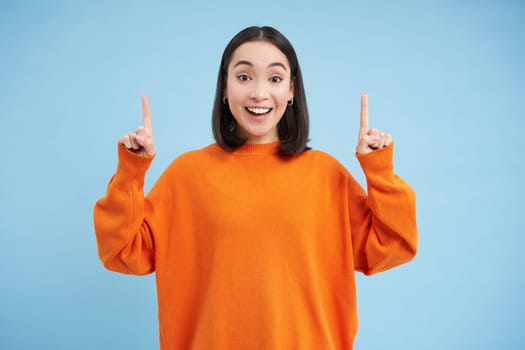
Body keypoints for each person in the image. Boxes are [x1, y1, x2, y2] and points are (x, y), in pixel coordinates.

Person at [94, 26, 417, 350]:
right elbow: (121, 252)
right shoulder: (186, 175)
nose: (259, 93)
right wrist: (131, 171)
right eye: (245, 77)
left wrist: (378, 169)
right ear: (224, 87)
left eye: (274, 79)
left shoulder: (327, 175)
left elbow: (394, 244)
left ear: (291, 90)